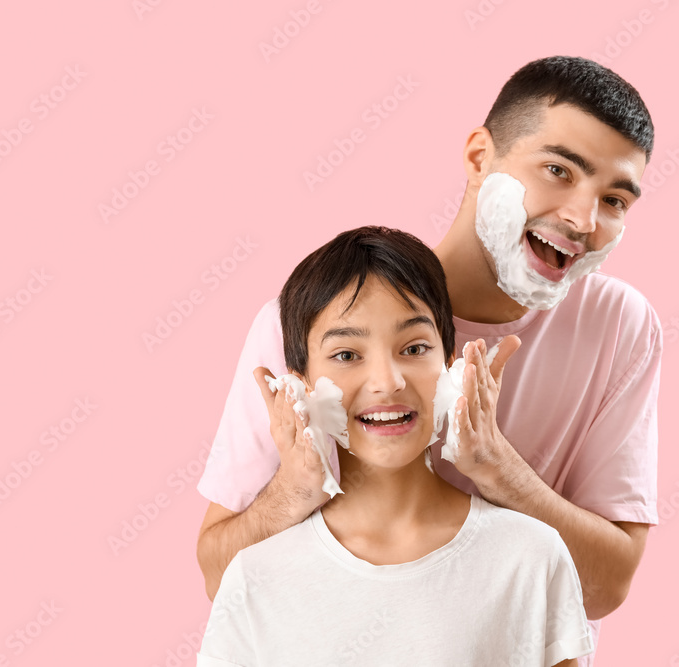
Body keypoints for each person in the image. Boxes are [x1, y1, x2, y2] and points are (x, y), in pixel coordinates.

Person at [197, 55, 661, 664]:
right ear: (478, 159)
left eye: (616, 200)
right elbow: (223, 579)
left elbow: (604, 587)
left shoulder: (619, 327)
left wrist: (498, 468)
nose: (583, 219)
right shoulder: (309, 317)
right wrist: (296, 487)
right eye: (557, 170)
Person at [196, 226, 594, 665]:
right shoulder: (255, 578)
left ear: (448, 364)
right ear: (301, 383)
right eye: (347, 354)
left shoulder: (531, 557)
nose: (388, 382)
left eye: (414, 347)